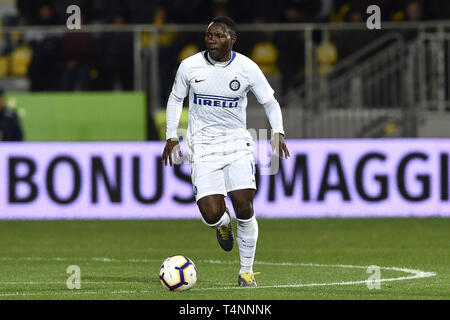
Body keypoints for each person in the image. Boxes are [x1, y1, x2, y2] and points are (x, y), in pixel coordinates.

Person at [161, 16, 290, 287]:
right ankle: (221, 224)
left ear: (232, 40)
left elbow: (269, 101)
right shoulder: (190, 66)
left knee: (244, 207)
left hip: (236, 145)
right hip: (203, 147)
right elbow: (176, 98)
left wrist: (278, 131)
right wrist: (171, 135)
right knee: (211, 213)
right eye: (209, 35)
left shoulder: (246, 67)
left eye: (218, 35)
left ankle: (246, 272)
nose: (211, 39)